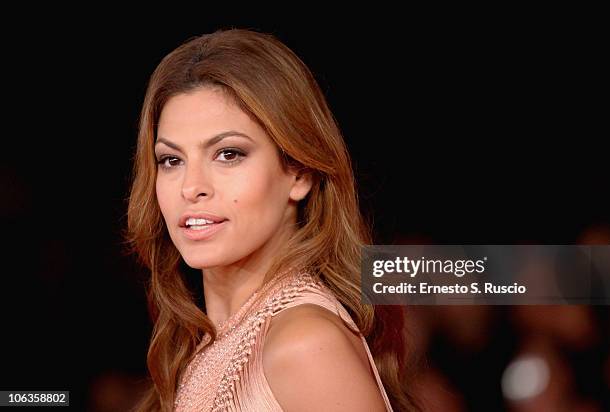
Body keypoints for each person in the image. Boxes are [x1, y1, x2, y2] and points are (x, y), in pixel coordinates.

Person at [124, 28, 415, 411]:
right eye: (171, 160)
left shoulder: (303, 343)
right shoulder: (209, 340)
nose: (191, 187)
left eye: (228, 154)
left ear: (299, 172)